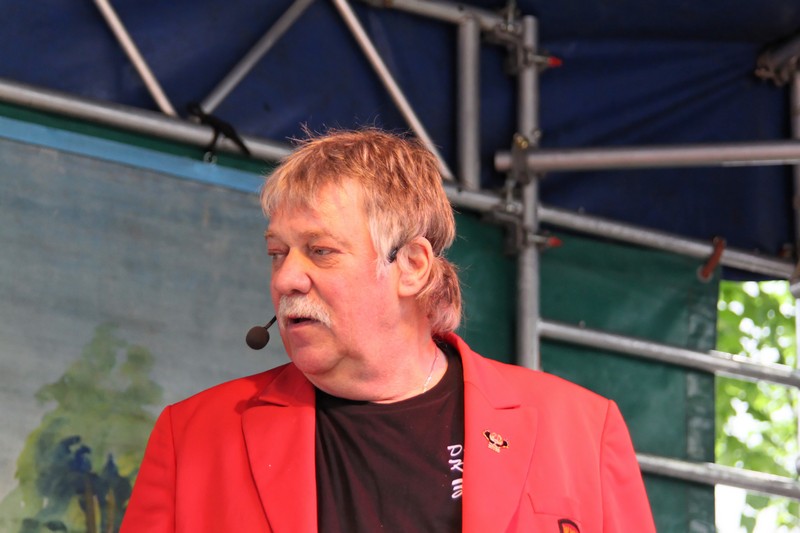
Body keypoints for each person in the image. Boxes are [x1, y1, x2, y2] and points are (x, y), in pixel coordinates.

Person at [121, 128, 655, 532]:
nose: (285, 278)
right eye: (277, 253)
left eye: (320, 251)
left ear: (413, 266)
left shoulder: (582, 430)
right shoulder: (194, 436)